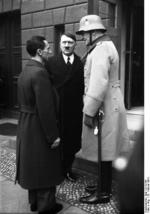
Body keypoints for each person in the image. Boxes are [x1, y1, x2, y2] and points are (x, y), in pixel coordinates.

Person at [76, 15, 130, 204]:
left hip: (103, 106)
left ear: (94, 33)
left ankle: (103, 193)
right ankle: (102, 184)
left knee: (104, 150)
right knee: (104, 149)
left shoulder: (100, 49)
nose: (83, 38)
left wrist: (88, 111)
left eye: (84, 34)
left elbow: (98, 84)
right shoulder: (104, 46)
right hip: (108, 103)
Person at [15, 35, 63, 213]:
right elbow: (46, 108)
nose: (50, 51)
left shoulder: (26, 69)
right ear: (39, 51)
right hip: (39, 126)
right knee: (45, 165)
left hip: (27, 125)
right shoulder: (40, 72)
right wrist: (53, 136)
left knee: (34, 164)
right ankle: (47, 206)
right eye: (48, 48)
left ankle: (35, 202)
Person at [46, 33, 84, 182]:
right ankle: (56, 170)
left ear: (75, 44)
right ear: (60, 44)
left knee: (73, 142)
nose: (67, 45)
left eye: (70, 42)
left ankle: (67, 169)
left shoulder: (80, 62)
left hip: (74, 111)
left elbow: (83, 86)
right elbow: (47, 87)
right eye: (64, 43)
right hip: (57, 110)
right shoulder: (51, 62)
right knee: (57, 142)